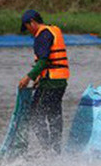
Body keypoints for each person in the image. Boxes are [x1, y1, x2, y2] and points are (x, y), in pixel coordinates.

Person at [18, 10, 70, 154]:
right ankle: (56, 150)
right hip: (60, 82)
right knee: (54, 116)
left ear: (32, 22)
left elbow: (43, 60)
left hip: (51, 83)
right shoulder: (53, 30)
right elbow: (50, 61)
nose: (29, 31)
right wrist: (40, 76)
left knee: (34, 116)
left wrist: (28, 77)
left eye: (27, 27)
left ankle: (48, 150)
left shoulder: (41, 35)